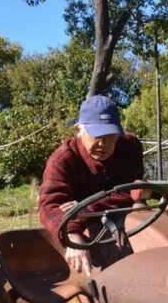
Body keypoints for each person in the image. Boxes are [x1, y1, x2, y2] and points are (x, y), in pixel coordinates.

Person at [38, 95, 145, 273]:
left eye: (110, 136)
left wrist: (86, 208)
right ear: (79, 129)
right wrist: (71, 233)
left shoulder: (130, 147)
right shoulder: (62, 160)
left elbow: (130, 191)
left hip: (122, 218)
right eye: (96, 135)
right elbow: (49, 206)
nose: (103, 144)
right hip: (81, 227)